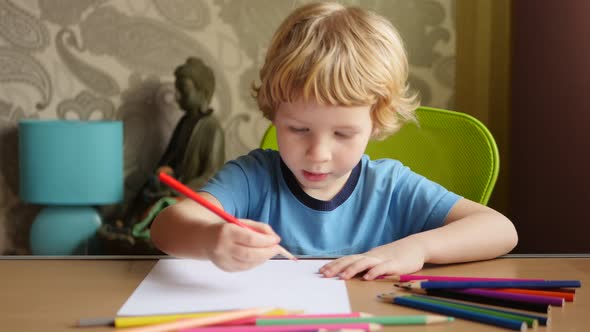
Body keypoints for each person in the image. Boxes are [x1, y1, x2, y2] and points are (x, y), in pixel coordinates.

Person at [151, 1, 518, 280]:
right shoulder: (253, 178)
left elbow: (501, 230)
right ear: (274, 112)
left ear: (375, 123)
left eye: (342, 134)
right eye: (298, 130)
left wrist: (418, 248)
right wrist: (211, 239)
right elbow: (166, 227)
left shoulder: (390, 187)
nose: (318, 154)